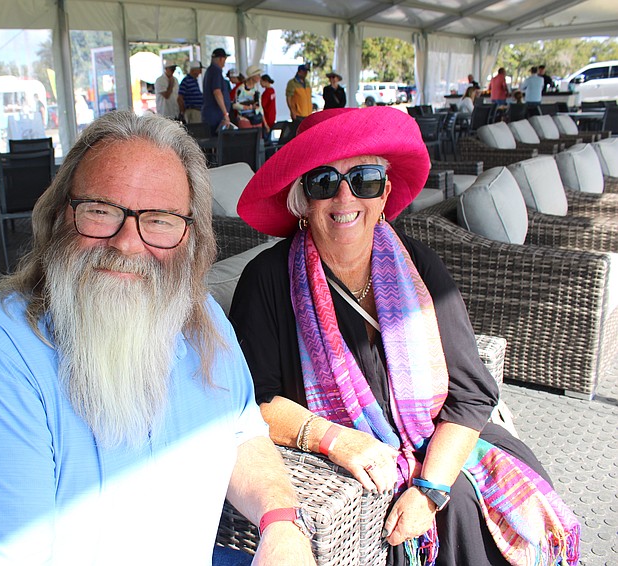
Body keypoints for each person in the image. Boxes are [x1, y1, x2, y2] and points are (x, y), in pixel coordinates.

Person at [0, 111, 316, 566]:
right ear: (58, 218)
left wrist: (280, 521)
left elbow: (241, 433)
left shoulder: (197, 314)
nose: (127, 242)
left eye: (160, 220)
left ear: (191, 236)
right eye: (101, 211)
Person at [229, 106, 581, 566]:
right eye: (322, 182)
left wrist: (430, 490)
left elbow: (470, 392)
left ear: (385, 193)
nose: (345, 197)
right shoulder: (267, 280)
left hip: (441, 450)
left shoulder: (420, 265)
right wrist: (338, 440)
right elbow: (251, 405)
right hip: (353, 475)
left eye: (365, 179)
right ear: (301, 199)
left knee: (464, 507)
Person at [202, 48, 233, 134]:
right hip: (215, 116)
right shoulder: (216, 71)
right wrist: (225, 114)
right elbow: (217, 92)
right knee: (218, 142)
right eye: (224, 60)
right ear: (221, 59)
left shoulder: (209, 71)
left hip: (211, 115)